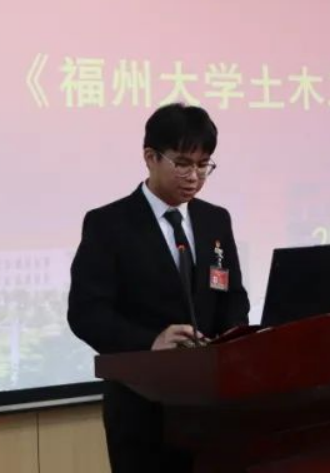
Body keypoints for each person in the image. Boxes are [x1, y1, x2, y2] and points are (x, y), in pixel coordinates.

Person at [67, 103, 250, 473]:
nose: (194, 177)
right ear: (150, 157)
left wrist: (229, 342)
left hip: (212, 403)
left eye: (203, 165)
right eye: (182, 164)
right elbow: (86, 313)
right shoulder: (109, 224)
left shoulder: (215, 219)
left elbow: (232, 296)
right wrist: (151, 341)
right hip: (141, 409)